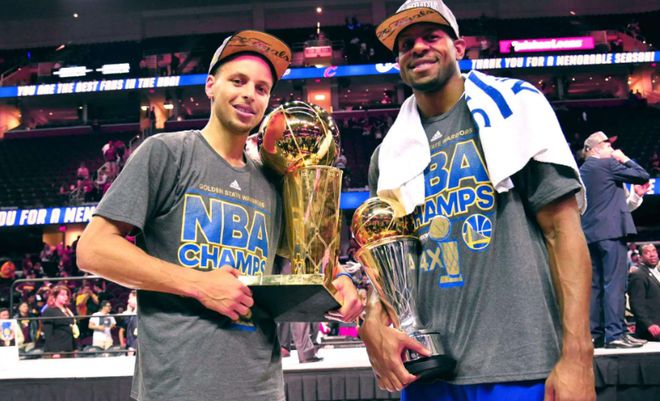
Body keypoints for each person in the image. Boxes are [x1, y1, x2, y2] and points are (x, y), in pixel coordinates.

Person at [77, 30, 361, 401]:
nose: (250, 94)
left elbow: (307, 262)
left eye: (261, 88)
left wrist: (340, 282)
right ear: (211, 85)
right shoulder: (167, 153)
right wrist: (199, 284)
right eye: (238, 81)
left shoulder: (274, 179)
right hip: (177, 388)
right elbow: (93, 250)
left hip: (261, 388)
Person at [360, 1, 595, 400]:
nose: (418, 47)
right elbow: (387, 259)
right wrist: (371, 317)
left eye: (431, 36)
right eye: (405, 44)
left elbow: (563, 231)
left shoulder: (515, 107)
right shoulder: (387, 155)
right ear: (398, 63)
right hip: (427, 370)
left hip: (519, 365)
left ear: (460, 47)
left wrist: (578, 355)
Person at [579, 131, 650, 348]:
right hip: (611, 234)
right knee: (614, 285)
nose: (612, 150)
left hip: (589, 236)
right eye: (608, 146)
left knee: (596, 286)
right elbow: (642, 175)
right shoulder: (608, 165)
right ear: (596, 148)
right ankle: (616, 334)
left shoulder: (581, 171)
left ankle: (597, 334)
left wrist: (635, 196)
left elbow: (610, 205)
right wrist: (623, 158)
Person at [628, 244, 660, 341]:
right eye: (647, 252)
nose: (652, 254)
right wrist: (648, 324)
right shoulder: (638, 275)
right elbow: (636, 304)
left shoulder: (657, 272)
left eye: (654, 251)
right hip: (652, 329)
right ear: (641, 257)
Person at [42, 285, 76, 358]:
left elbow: (71, 329)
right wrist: (55, 352)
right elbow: (48, 334)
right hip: (57, 349)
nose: (66, 297)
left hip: (69, 348)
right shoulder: (49, 311)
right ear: (55, 296)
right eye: (62, 295)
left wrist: (75, 347)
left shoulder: (67, 310)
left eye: (66, 294)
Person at [118, 290, 138, 355]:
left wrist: (133, 347)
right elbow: (126, 325)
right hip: (130, 344)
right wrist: (128, 311)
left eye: (130, 298)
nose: (128, 301)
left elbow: (137, 333)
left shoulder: (140, 313)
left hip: (136, 346)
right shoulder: (131, 313)